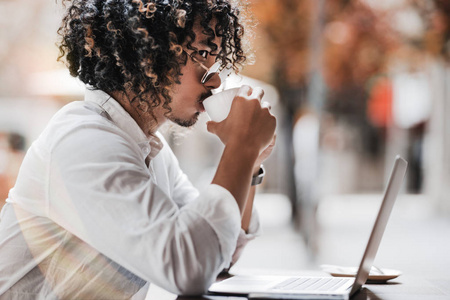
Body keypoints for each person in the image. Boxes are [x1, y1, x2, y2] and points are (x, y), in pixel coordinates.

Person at [0, 0, 276, 299]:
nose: (217, 79)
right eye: (203, 54)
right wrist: (240, 146)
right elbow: (190, 269)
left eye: (215, 60)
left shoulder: (147, 150)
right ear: (146, 53)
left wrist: (249, 164)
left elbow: (219, 249)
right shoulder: (84, 141)